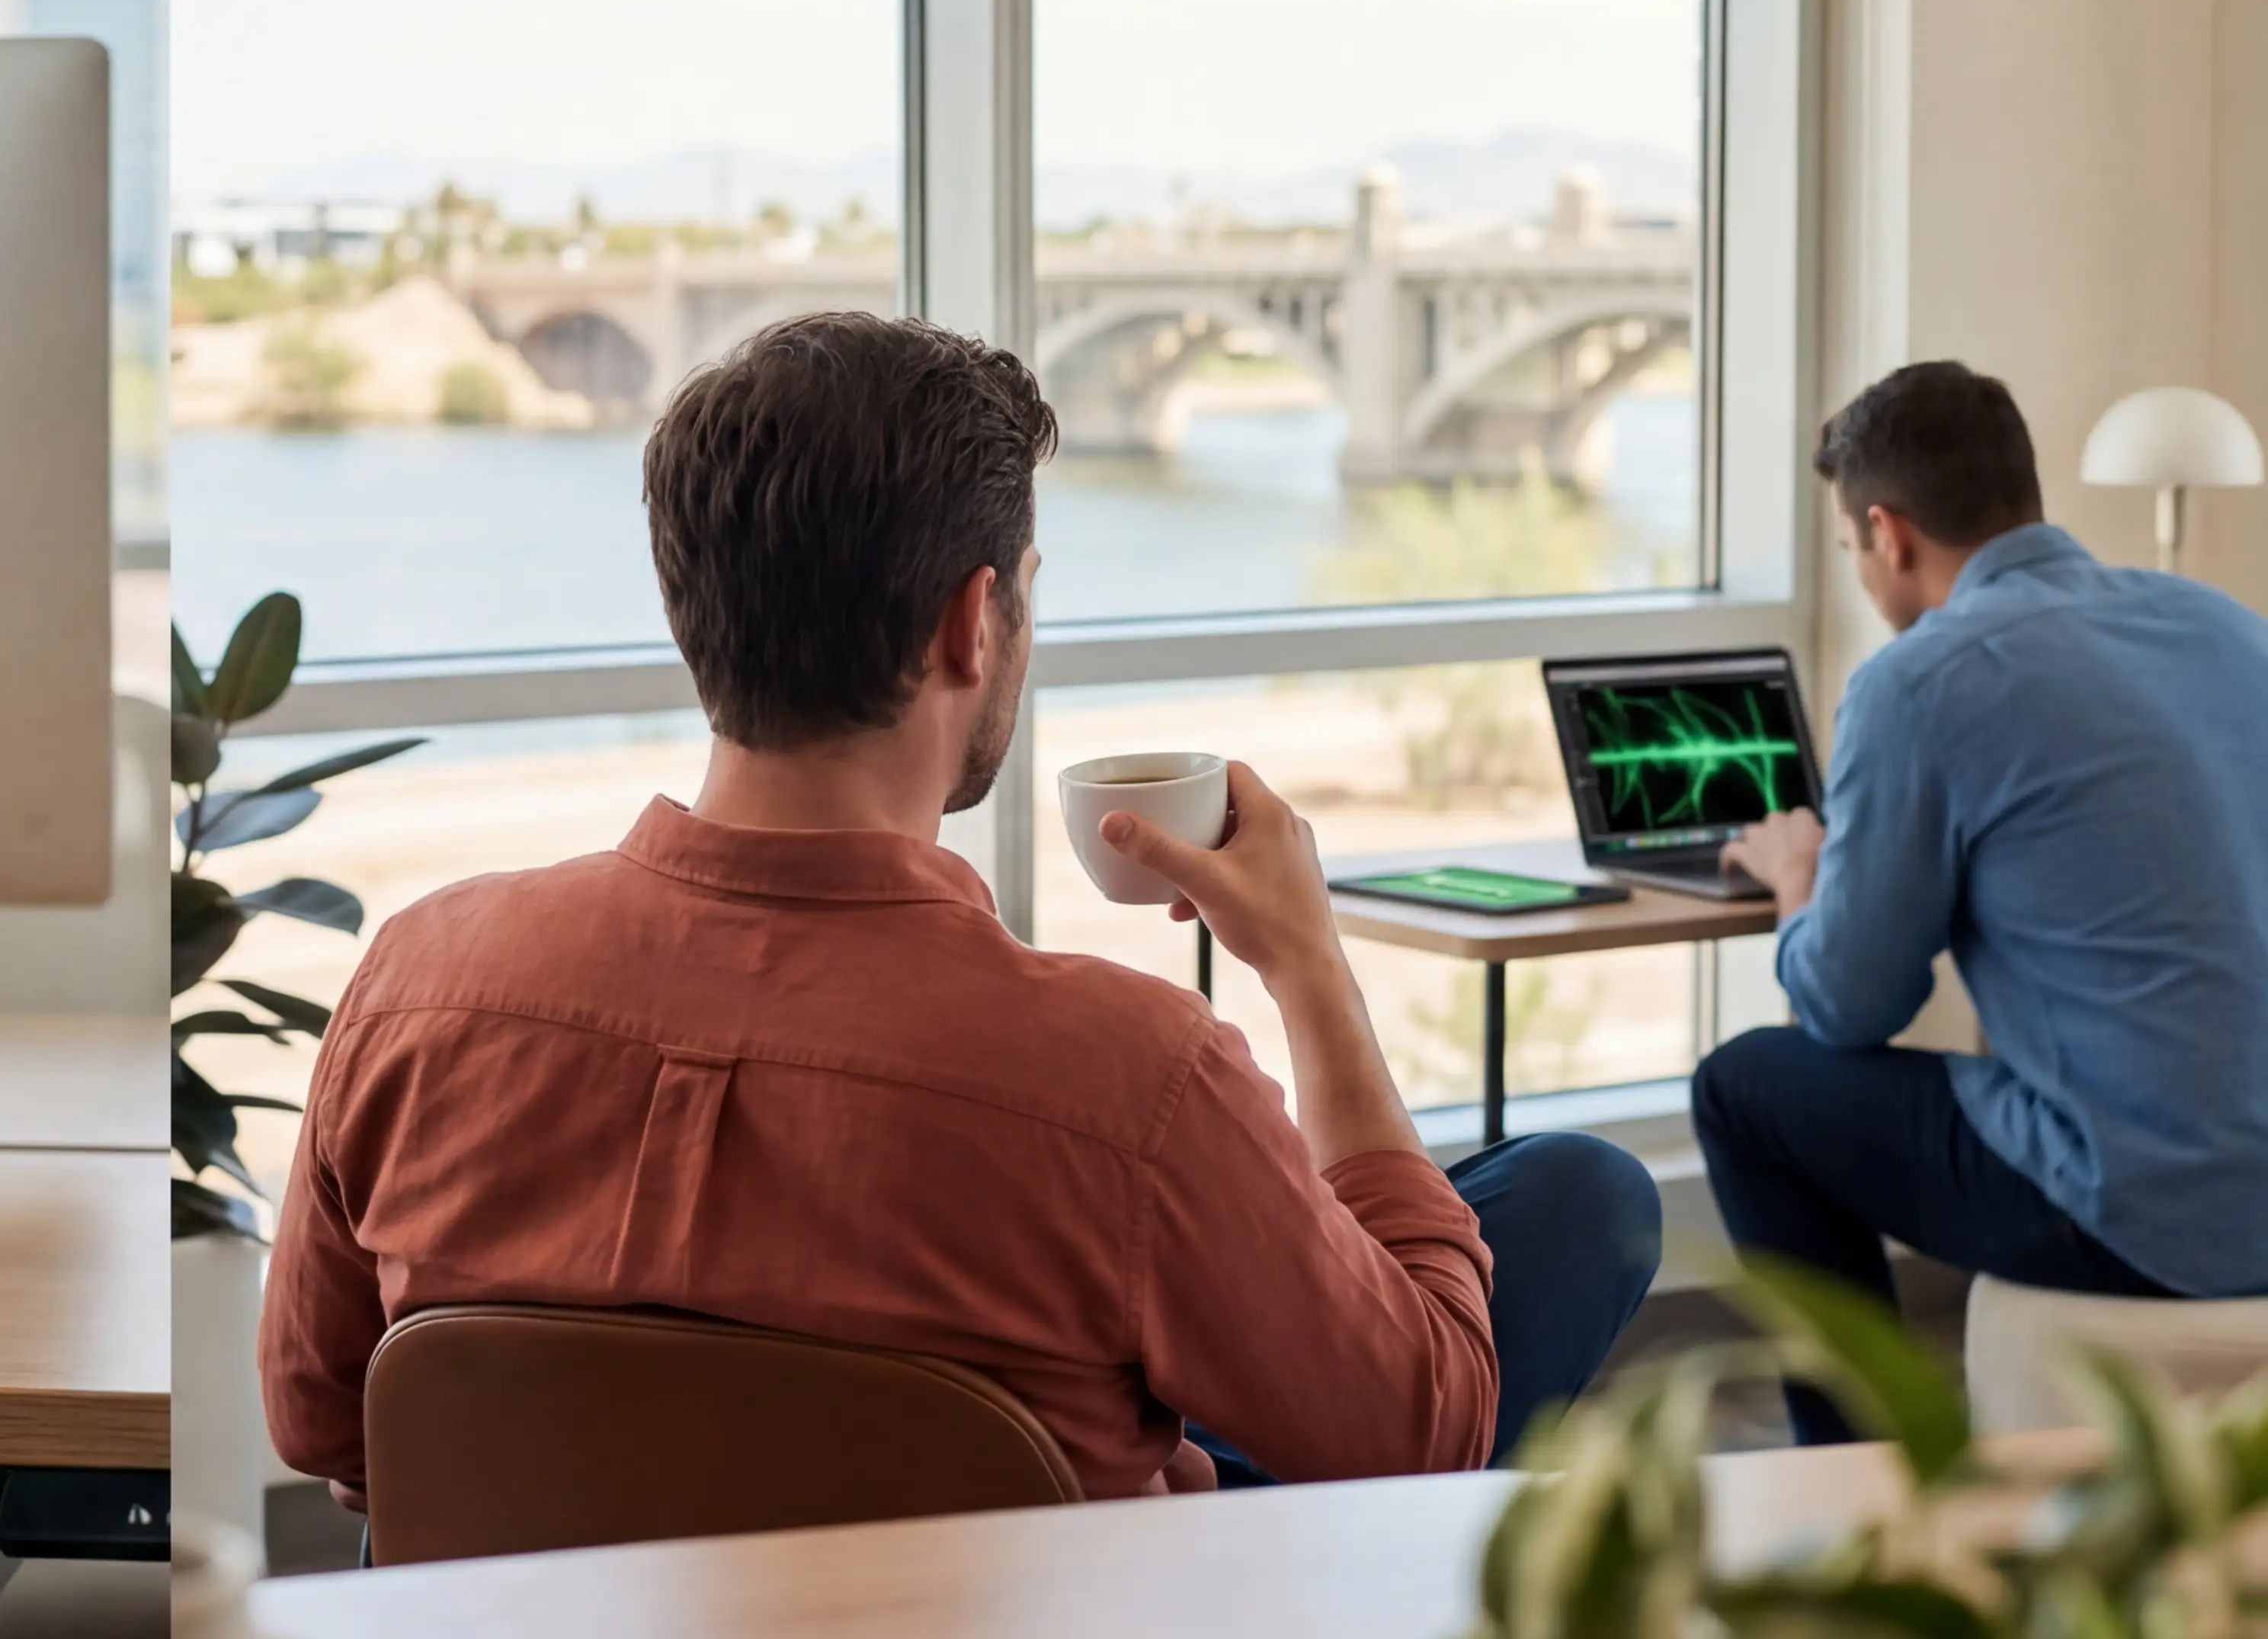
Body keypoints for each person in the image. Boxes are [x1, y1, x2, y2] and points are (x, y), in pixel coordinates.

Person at [258, 312, 1661, 1508]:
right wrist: (1307, 972)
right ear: (971, 625)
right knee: (1575, 1201)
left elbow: (326, 1428)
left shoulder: (418, 985)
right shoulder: (1134, 1077)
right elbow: (1424, 1433)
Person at [1696, 361, 2268, 1438]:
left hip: (2150, 1209)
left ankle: (1856, 1481)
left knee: (1747, 1089)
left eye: (1849, 549)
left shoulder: (1920, 682)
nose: (1862, 574)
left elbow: (1847, 1008)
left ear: (1889, 534)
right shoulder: (2225, 626)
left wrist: (1800, 875)